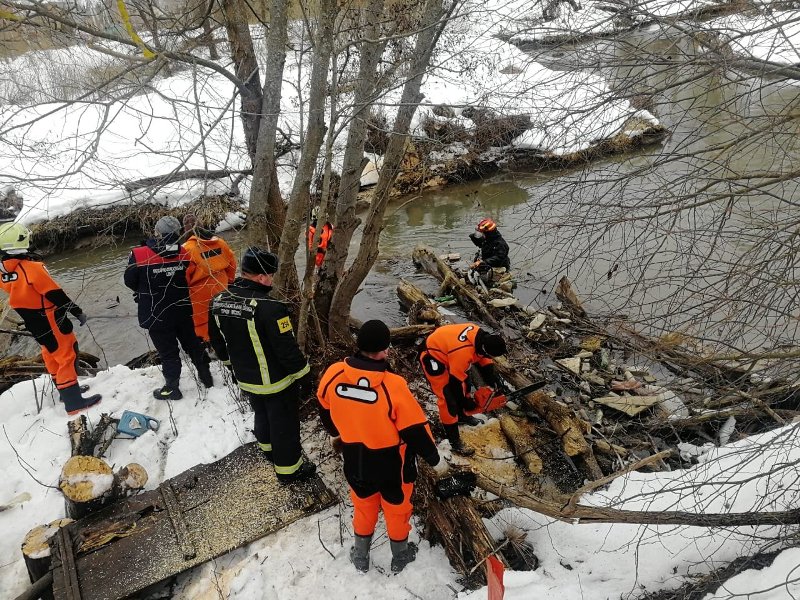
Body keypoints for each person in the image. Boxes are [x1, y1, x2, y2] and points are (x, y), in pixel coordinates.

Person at [317, 320, 448, 574]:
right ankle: (400, 556)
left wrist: (337, 433)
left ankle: (360, 556)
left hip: (355, 458)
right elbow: (415, 431)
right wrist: (436, 460)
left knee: (363, 504)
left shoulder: (334, 373)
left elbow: (324, 407)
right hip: (392, 464)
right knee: (396, 508)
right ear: (384, 350)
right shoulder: (392, 385)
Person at [208, 247, 316, 484]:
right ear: (261, 277)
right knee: (284, 426)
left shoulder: (218, 301)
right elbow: (287, 351)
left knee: (262, 414)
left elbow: (217, 342)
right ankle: (290, 471)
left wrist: (230, 367)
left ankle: (267, 449)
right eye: (271, 275)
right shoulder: (271, 309)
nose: (272, 280)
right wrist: (305, 377)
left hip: (246, 378)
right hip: (276, 382)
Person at [0, 223, 101, 414]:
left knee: (50, 353)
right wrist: (77, 311)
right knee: (67, 354)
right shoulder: (33, 268)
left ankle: (65, 391)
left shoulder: (4, 272)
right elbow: (55, 293)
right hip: (49, 316)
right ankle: (74, 403)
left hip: (32, 319)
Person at [124, 216, 214, 400]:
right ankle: (207, 378)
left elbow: (129, 280)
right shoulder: (183, 252)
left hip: (156, 313)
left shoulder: (139, 254)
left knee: (168, 352)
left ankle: (172, 387)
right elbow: (184, 275)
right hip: (182, 309)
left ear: (157, 232)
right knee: (193, 344)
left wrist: (143, 290)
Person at [419, 322, 507, 456]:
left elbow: (483, 357)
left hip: (449, 350)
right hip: (432, 356)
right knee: (448, 399)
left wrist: (492, 375)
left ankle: (461, 416)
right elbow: (455, 382)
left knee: (466, 384)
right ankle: (454, 441)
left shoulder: (481, 336)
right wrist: (463, 402)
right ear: (484, 349)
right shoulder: (462, 352)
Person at [181, 214, 236, 342]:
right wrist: (229, 281)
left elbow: (184, 277)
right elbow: (232, 265)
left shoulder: (187, 249)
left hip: (199, 295)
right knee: (224, 318)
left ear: (185, 230)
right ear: (202, 225)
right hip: (222, 288)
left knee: (203, 325)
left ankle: (210, 349)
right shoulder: (220, 243)